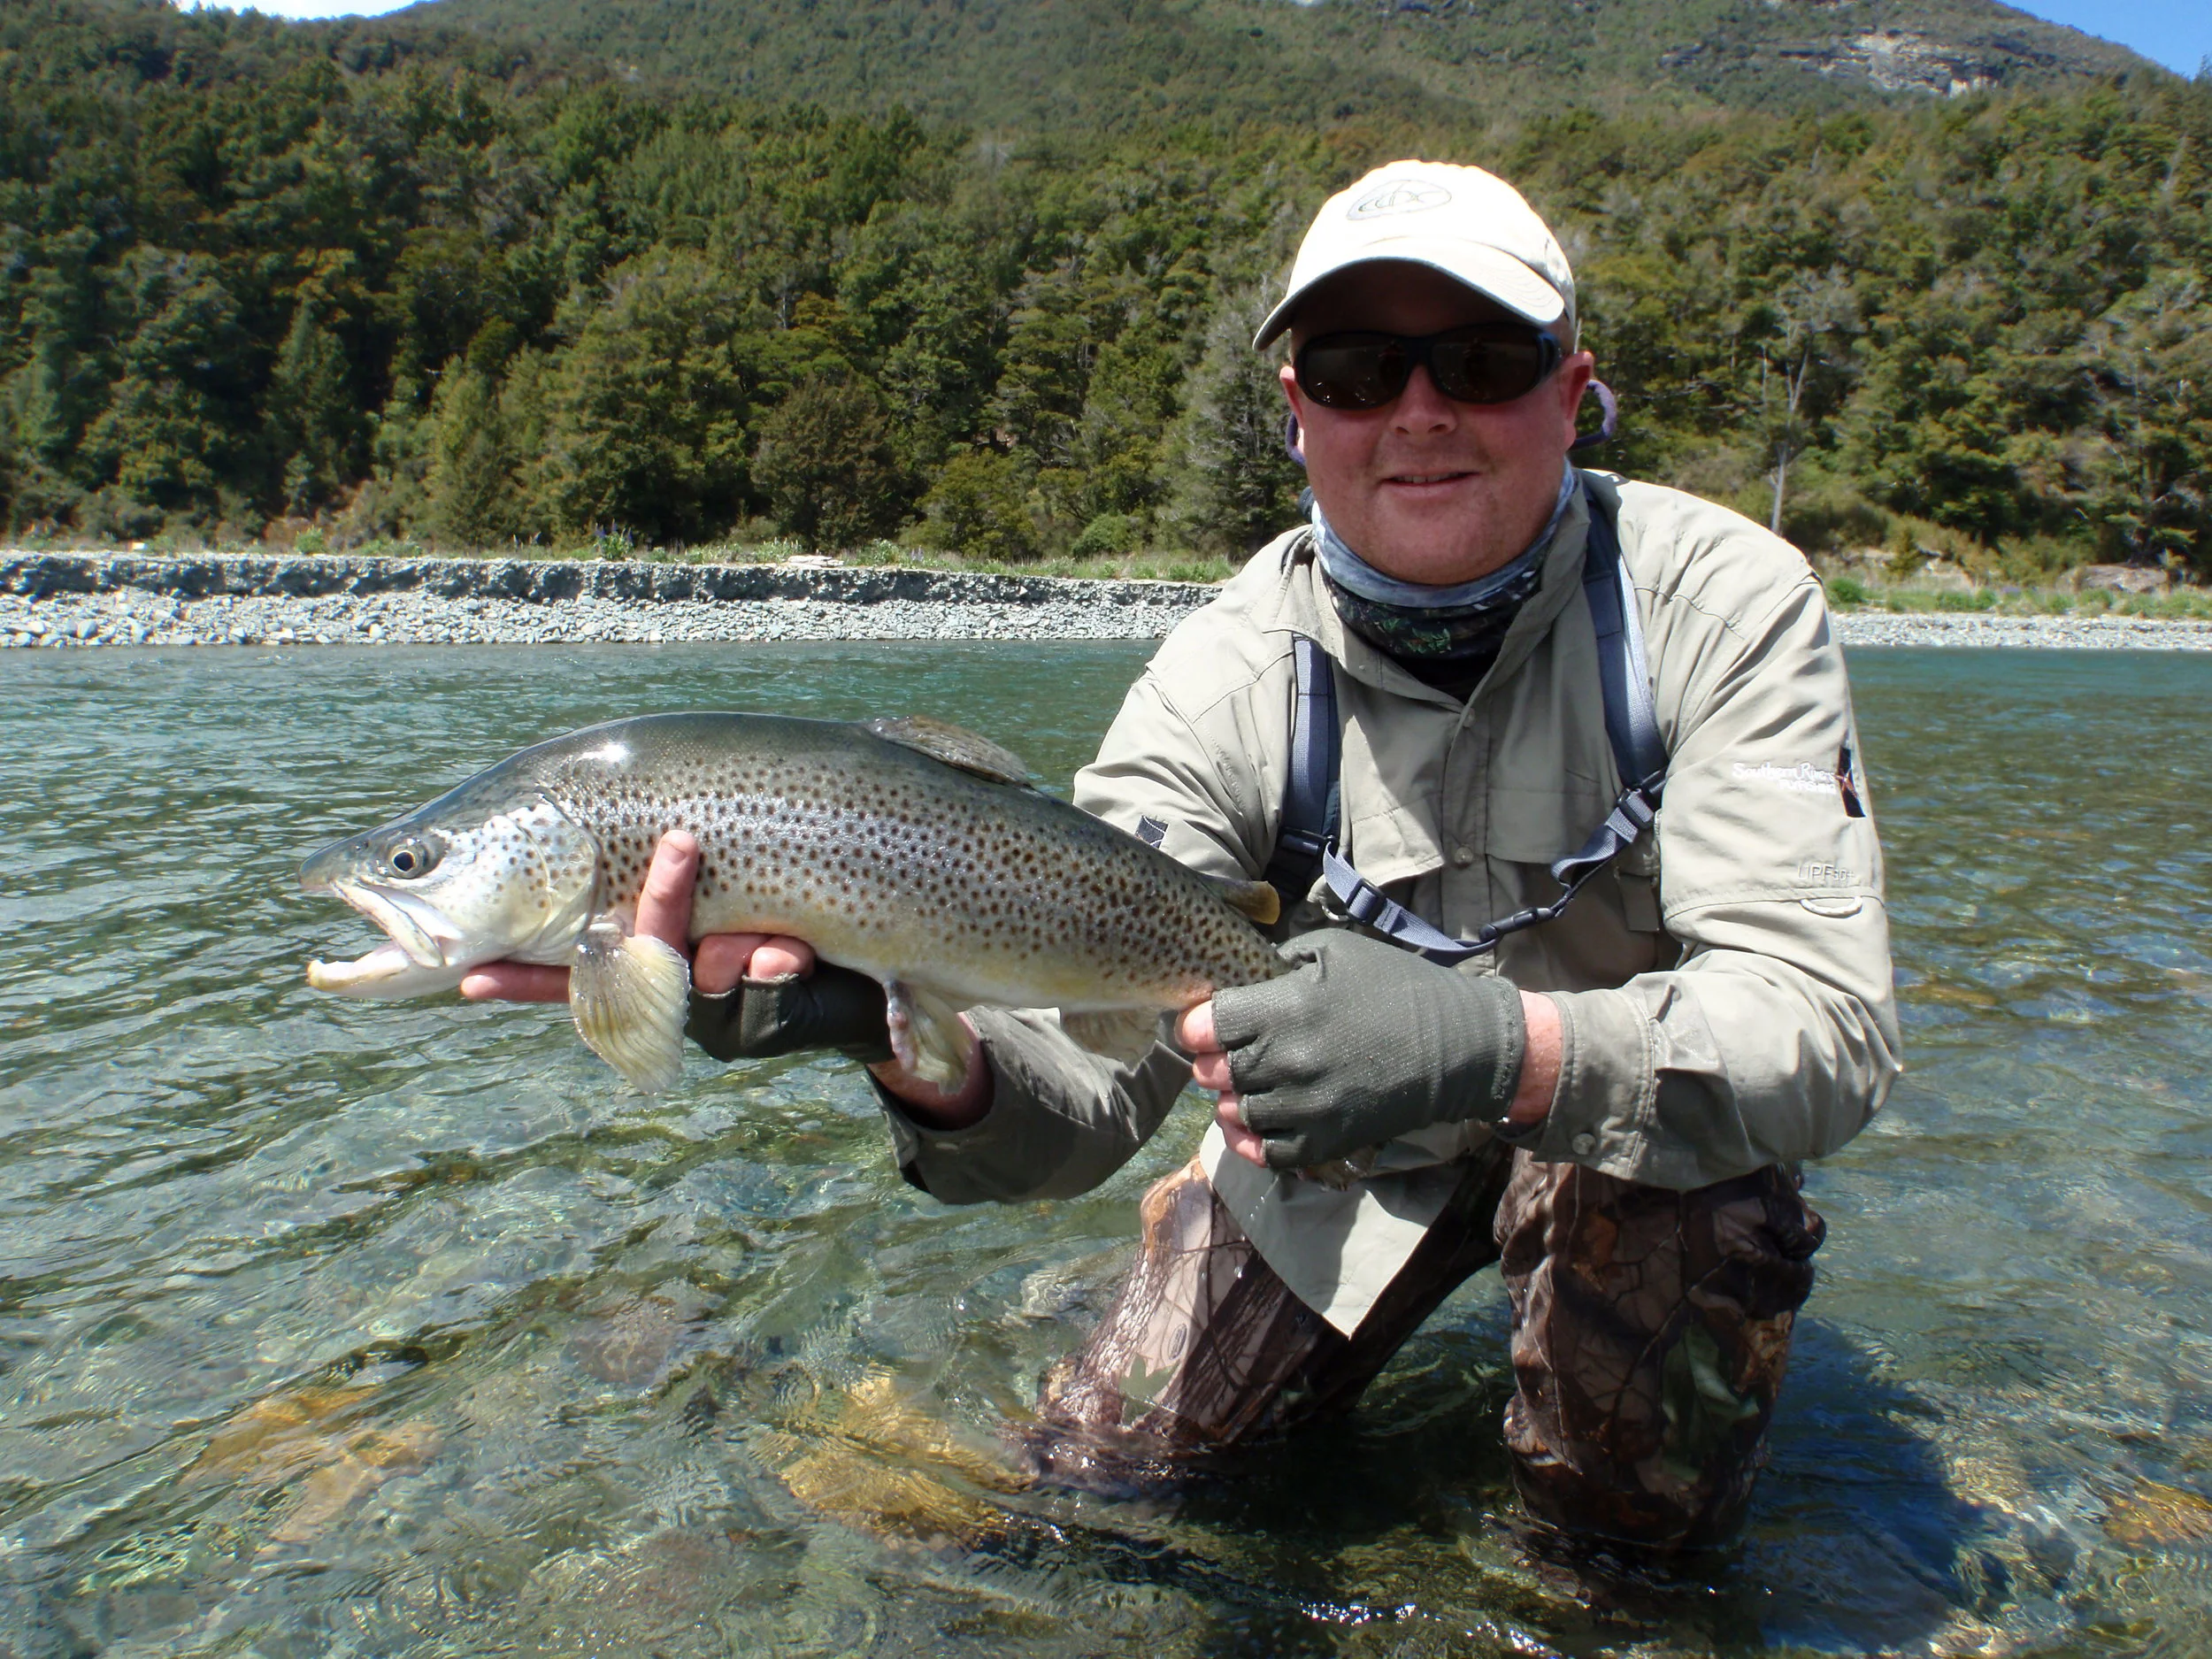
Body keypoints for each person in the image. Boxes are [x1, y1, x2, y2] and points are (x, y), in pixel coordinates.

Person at [465, 160, 1900, 1550]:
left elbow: (1824, 1027)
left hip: (1633, 1154)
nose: (1417, 412)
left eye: (1479, 358)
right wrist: (910, 1047)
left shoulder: (1721, 609)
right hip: (1336, 1147)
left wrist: (1484, 1040)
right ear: (1296, 411)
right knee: (1106, 1489)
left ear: (1574, 389)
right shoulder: (1224, 675)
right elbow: (1086, 1087)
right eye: (1353, 368)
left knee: (1625, 1540)